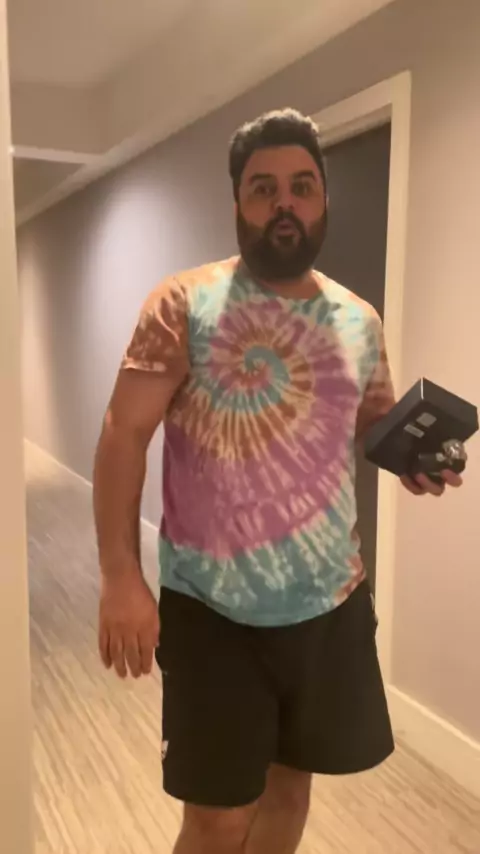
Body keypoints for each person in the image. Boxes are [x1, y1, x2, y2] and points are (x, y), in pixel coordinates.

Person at [93, 108, 463, 854]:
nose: (284, 203)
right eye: (263, 188)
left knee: (291, 792)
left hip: (329, 606)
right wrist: (120, 578)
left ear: (323, 199)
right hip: (213, 611)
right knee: (217, 819)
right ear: (238, 202)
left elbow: (371, 426)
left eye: (302, 186)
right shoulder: (183, 304)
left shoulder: (358, 320)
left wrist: (416, 462)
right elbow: (123, 434)